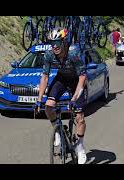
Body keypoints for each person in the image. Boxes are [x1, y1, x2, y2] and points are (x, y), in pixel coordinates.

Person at [34, 27, 87, 164]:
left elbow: (82, 77)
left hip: (77, 80)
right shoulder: (49, 54)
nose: (54, 47)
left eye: (57, 43)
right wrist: (39, 100)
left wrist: (74, 98)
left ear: (64, 42)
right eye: (52, 43)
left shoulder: (73, 52)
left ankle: (80, 146)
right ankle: (57, 129)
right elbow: (45, 77)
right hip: (62, 79)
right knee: (48, 106)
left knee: (79, 117)